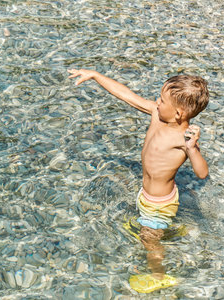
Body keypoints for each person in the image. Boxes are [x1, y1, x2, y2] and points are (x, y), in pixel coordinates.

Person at [68, 69, 209, 293]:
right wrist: (95, 75)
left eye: (162, 100)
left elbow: (201, 173)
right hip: (147, 196)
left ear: (179, 113)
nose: (156, 101)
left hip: (159, 204)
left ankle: (159, 276)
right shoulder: (157, 113)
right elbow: (126, 95)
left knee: (149, 241)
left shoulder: (183, 138)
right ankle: (169, 229)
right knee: (148, 230)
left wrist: (192, 150)